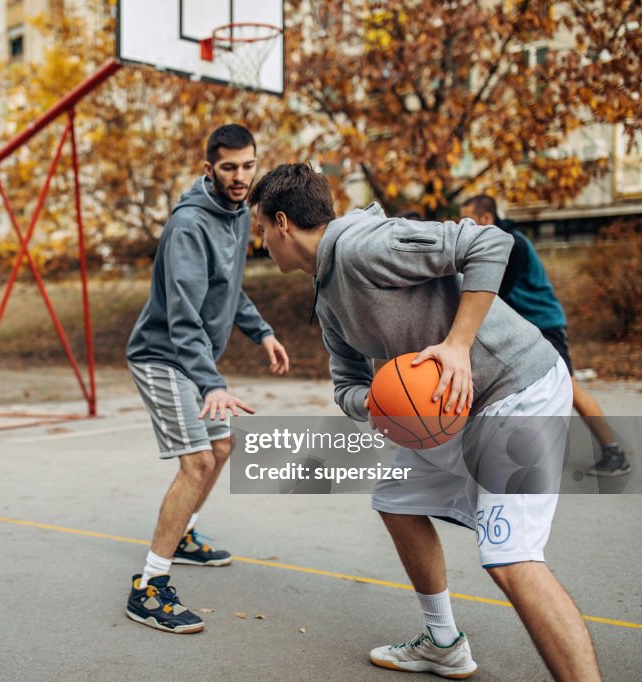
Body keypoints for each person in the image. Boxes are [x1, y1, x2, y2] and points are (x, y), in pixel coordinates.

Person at [250, 163, 600, 680]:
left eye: (260, 230)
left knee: (511, 557)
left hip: (513, 388)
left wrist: (457, 346)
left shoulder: (365, 245)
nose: (261, 244)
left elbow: (487, 243)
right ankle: (442, 643)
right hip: (450, 409)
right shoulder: (328, 298)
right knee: (396, 499)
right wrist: (383, 402)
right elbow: (347, 385)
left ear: (283, 222)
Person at [124, 124, 290, 634]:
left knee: (221, 450)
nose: (241, 178)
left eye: (247, 166)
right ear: (208, 169)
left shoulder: (238, 216)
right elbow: (182, 318)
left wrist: (261, 332)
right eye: (229, 168)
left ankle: (185, 534)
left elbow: (229, 287)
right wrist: (212, 383)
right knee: (197, 461)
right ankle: (148, 586)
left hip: (192, 360)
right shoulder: (189, 226)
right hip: (163, 356)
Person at [460, 195, 631, 478]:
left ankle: (614, 452)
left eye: (468, 216)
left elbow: (494, 292)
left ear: (487, 218)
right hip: (526, 326)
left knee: (571, 388)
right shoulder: (503, 242)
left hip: (543, 323)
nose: (463, 223)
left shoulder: (510, 243)